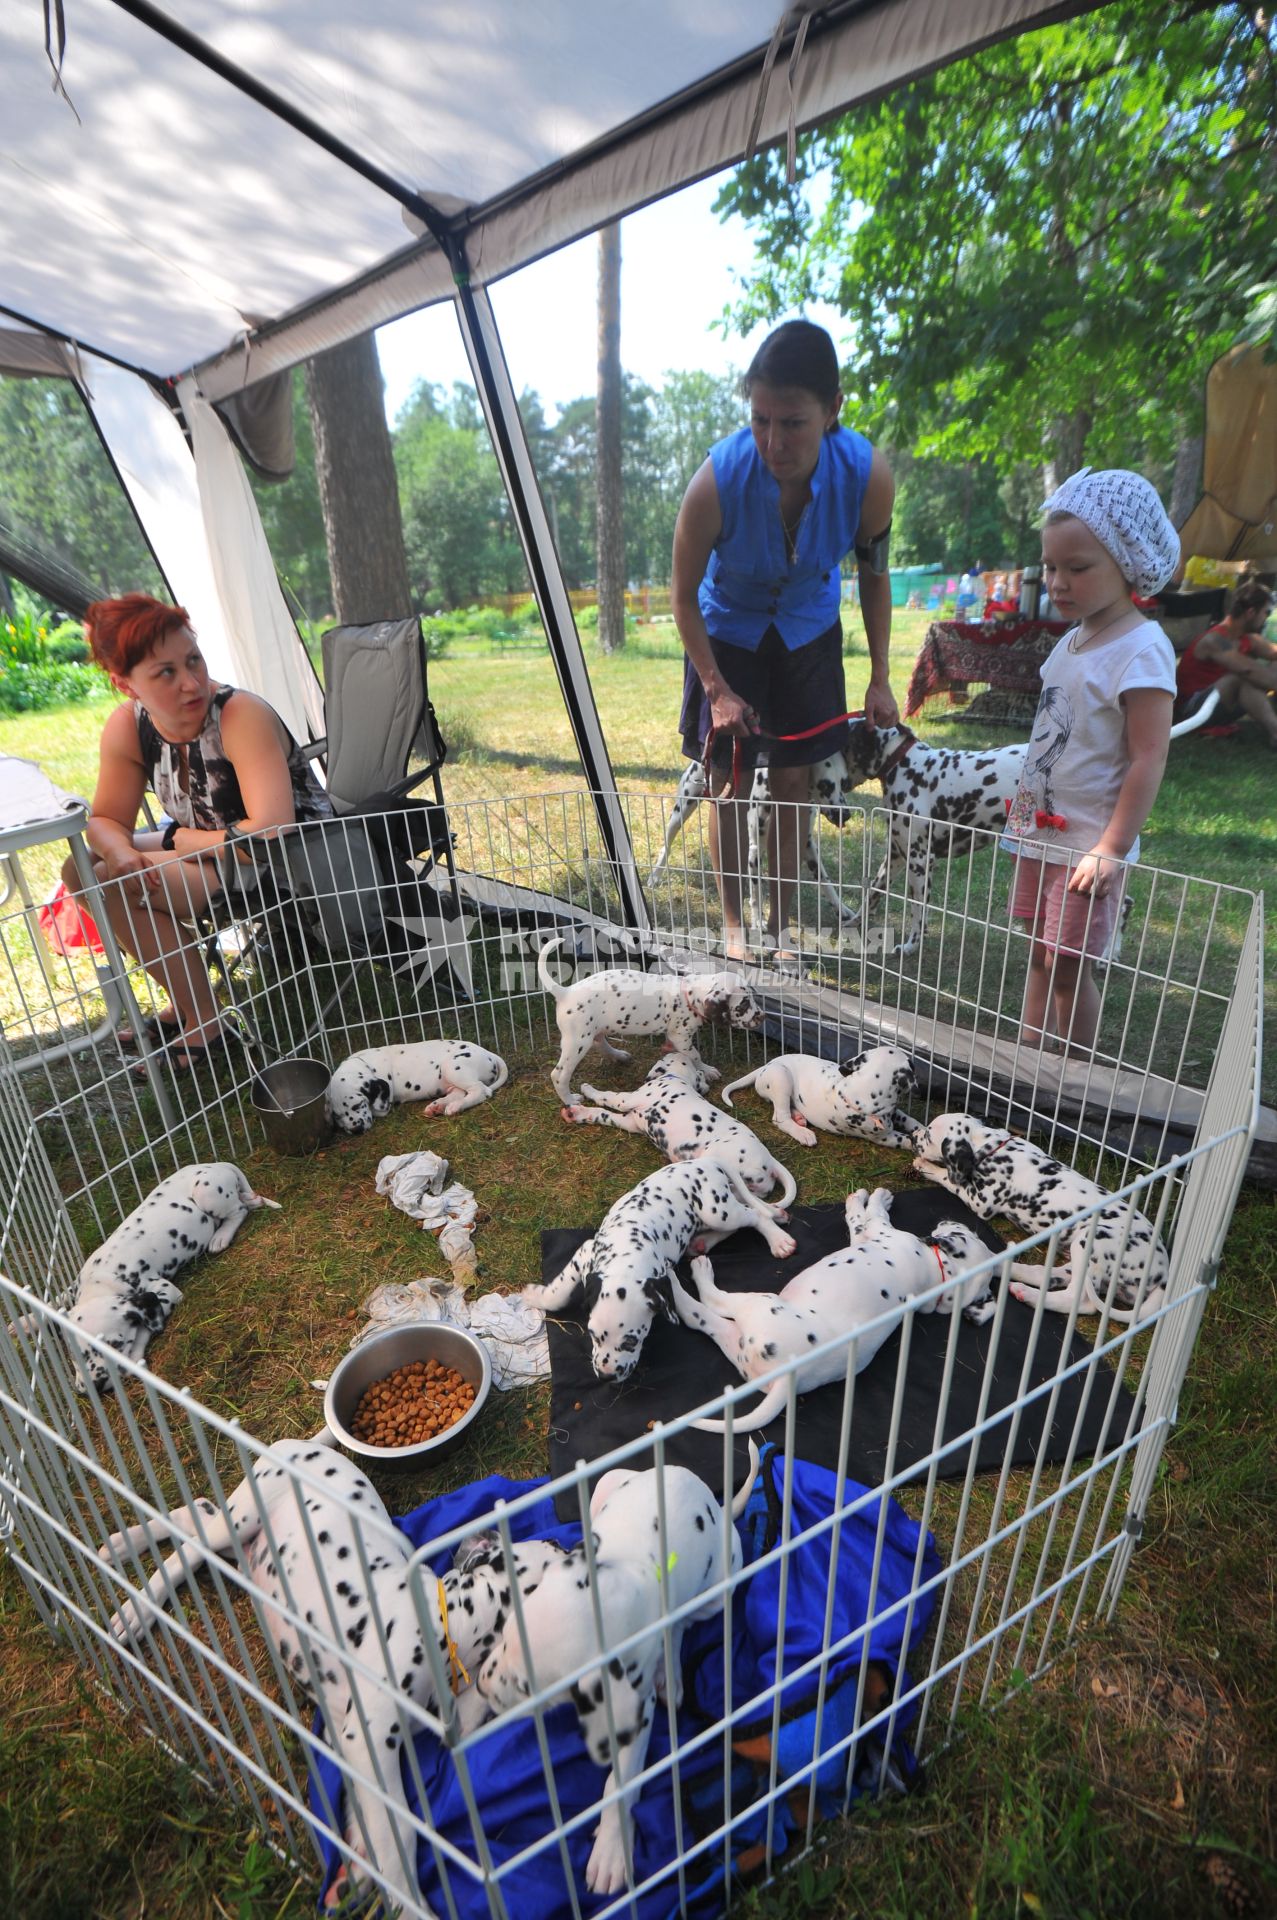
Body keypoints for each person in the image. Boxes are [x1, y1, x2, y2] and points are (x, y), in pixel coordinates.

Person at [671, 319, 897, 964]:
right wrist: (716, 689)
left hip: (807, 629)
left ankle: (780, 927)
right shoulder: (715, 481)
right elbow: (682, 597)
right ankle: (736, 929)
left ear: (832, 410)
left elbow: (874, 577)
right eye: (760, 419)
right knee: (727, 781)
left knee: (794, 780)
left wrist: (880, 675)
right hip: (727, 630)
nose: (773, 441)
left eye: (792, 422)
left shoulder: (869, 477)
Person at [66, 593, 332, 1068]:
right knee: (82, 866)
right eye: (165, 672)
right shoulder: (129, 726)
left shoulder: (238, 714)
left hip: (295, 861)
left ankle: (205, 1022)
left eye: (194, 660)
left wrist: (182, 842)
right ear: (125, 684)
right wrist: (120, 850)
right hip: (218, 851)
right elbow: (106, 820)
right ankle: (189, 998)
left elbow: (270, 832)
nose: (192, 684)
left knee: (115, 881)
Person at [1002, 468, 1181, 1054]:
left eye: (1078, 568)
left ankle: (1075, 1087)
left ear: (1128, 563)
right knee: (1040, 954)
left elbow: (1149, 756)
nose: (1058, 581)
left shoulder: (1143, 649)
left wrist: (1111, 847)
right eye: (1051, 567)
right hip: (1042, 836)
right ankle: (1027, 1066)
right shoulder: (1070, 640)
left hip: (1086, 849)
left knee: (1068, 968)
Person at [1173, 580, 1277, 748]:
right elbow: (1250, 671)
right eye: (1267, 612)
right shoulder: (1214, 640)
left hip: (1218, 704)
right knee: (1240, 679)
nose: (1267, 618)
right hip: (1190, 712)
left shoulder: (1246, 638)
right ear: (1251, 612)